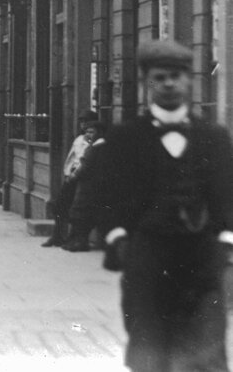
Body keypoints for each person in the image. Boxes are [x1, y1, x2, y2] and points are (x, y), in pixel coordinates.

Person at [75, 37, 233, 372]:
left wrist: (227, 245)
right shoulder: (125, 138)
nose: (169, 84)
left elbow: (227, 194)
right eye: (160, 77)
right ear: (148, 82)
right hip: (147, 259)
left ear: (190, 80)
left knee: (205, 352)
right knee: (149, 349)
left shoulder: (214, 138)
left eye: (177, 76)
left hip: (203, 262)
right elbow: (106, 192)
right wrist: (117, 236)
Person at [43, 110, 103, 249]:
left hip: (83, 179)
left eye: (86, 123)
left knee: (78, 210)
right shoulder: (79, 139)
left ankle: (76, 239)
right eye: (81, 122)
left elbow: (86, 162)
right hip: (72, 177)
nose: (83, 126)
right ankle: (57, 236)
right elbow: (71, 158)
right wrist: (67, 173)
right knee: (60, 205)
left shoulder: (95, 142)